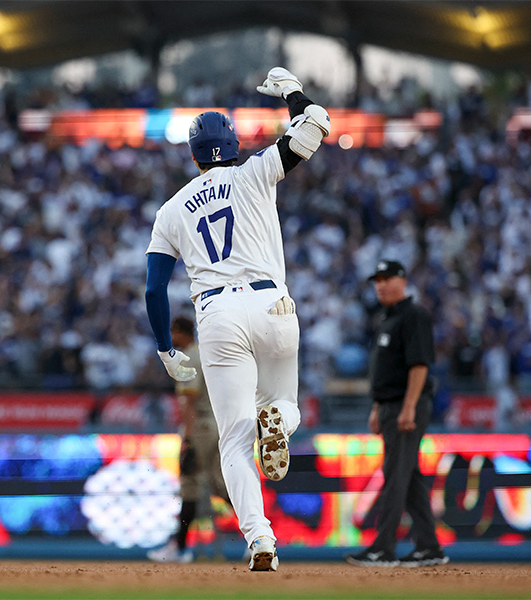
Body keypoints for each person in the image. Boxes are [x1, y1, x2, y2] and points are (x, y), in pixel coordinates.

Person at [144, 67, 330, 571]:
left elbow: (154, 288)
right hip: (273, 303)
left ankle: (261, 541)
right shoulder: (255, 171)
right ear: (233, 143)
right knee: (285, 403)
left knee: (235, 440)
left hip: (218, 314)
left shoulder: (172, 210)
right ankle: (280, 422)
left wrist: (166, 347)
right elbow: (315, 126)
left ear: (194, 155)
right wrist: (294, 93)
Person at [345, 260, 449, 568]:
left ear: (403, 281)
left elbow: (420, 365)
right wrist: (378, 407)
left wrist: (408, 408)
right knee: (410, 477)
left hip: (407, 405)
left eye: (387, 278)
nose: (381, 285)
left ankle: (383, 548)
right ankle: (429, 547)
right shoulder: (385, 319)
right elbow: (386, 372)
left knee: (394, 475)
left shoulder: (414, 316)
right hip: (390, 405)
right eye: (377, 280)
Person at [148, 316, 230, 563]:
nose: (170, 338)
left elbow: (190, 400)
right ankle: (258, 535)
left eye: (173, 332)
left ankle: (180, 547)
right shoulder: (204, 355)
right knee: (220, 483)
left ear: (180, 332)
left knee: (190, 482)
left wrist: (189, 439)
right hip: (215, 422)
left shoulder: (191, 356)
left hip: (200, 426)